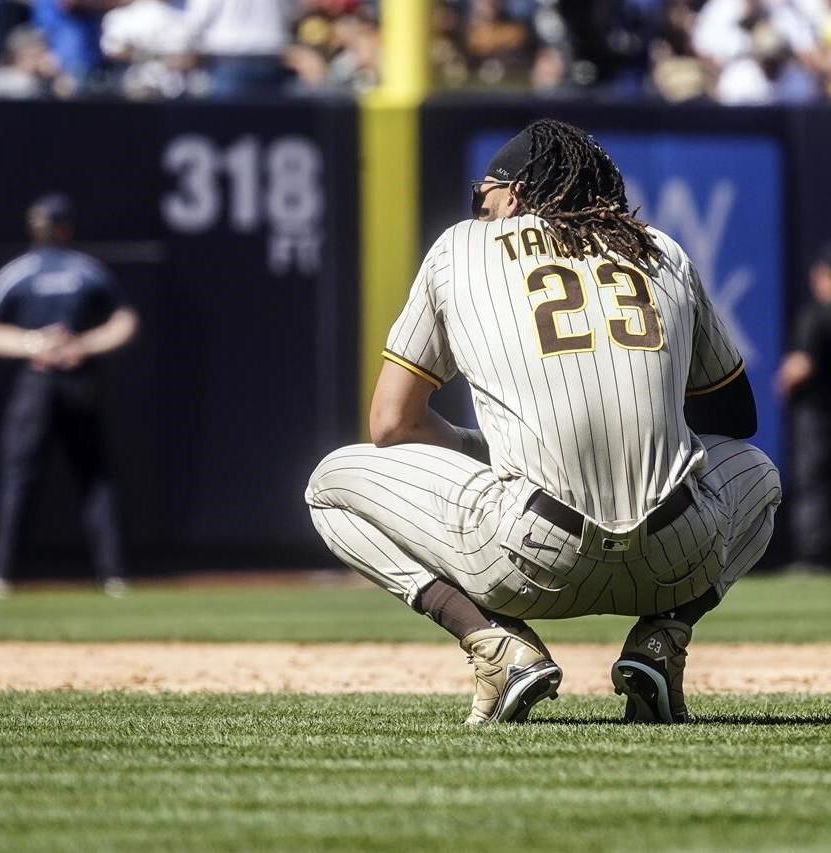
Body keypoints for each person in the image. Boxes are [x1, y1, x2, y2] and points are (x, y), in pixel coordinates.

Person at [306, 119, 781, 725]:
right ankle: (664, 640)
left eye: (485, 194)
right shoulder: (662, 248)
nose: (479, 206)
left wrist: (481, 448)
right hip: (675, 554)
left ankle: (494, 645)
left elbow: (393, 424)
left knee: (330, 485)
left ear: (518, 193)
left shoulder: (460, 248)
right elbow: (736, 416)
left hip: (527, 557)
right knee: (760, 477)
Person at [0, 194, 138, 598]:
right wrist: (73, 345)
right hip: (65, 379)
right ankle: (110, 576)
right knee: (88, 479)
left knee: (39, 478)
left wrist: (45, 345)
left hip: (49, 380)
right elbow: (123, 322)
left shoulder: (29, 271)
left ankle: (3, 575)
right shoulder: (79, 270)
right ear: (66, 228)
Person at [776, 243, 831, 571]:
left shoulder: (816, 315)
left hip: (817, 416)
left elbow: (801, 367)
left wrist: (784, 382)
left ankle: (812, 555)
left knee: (813, 482)